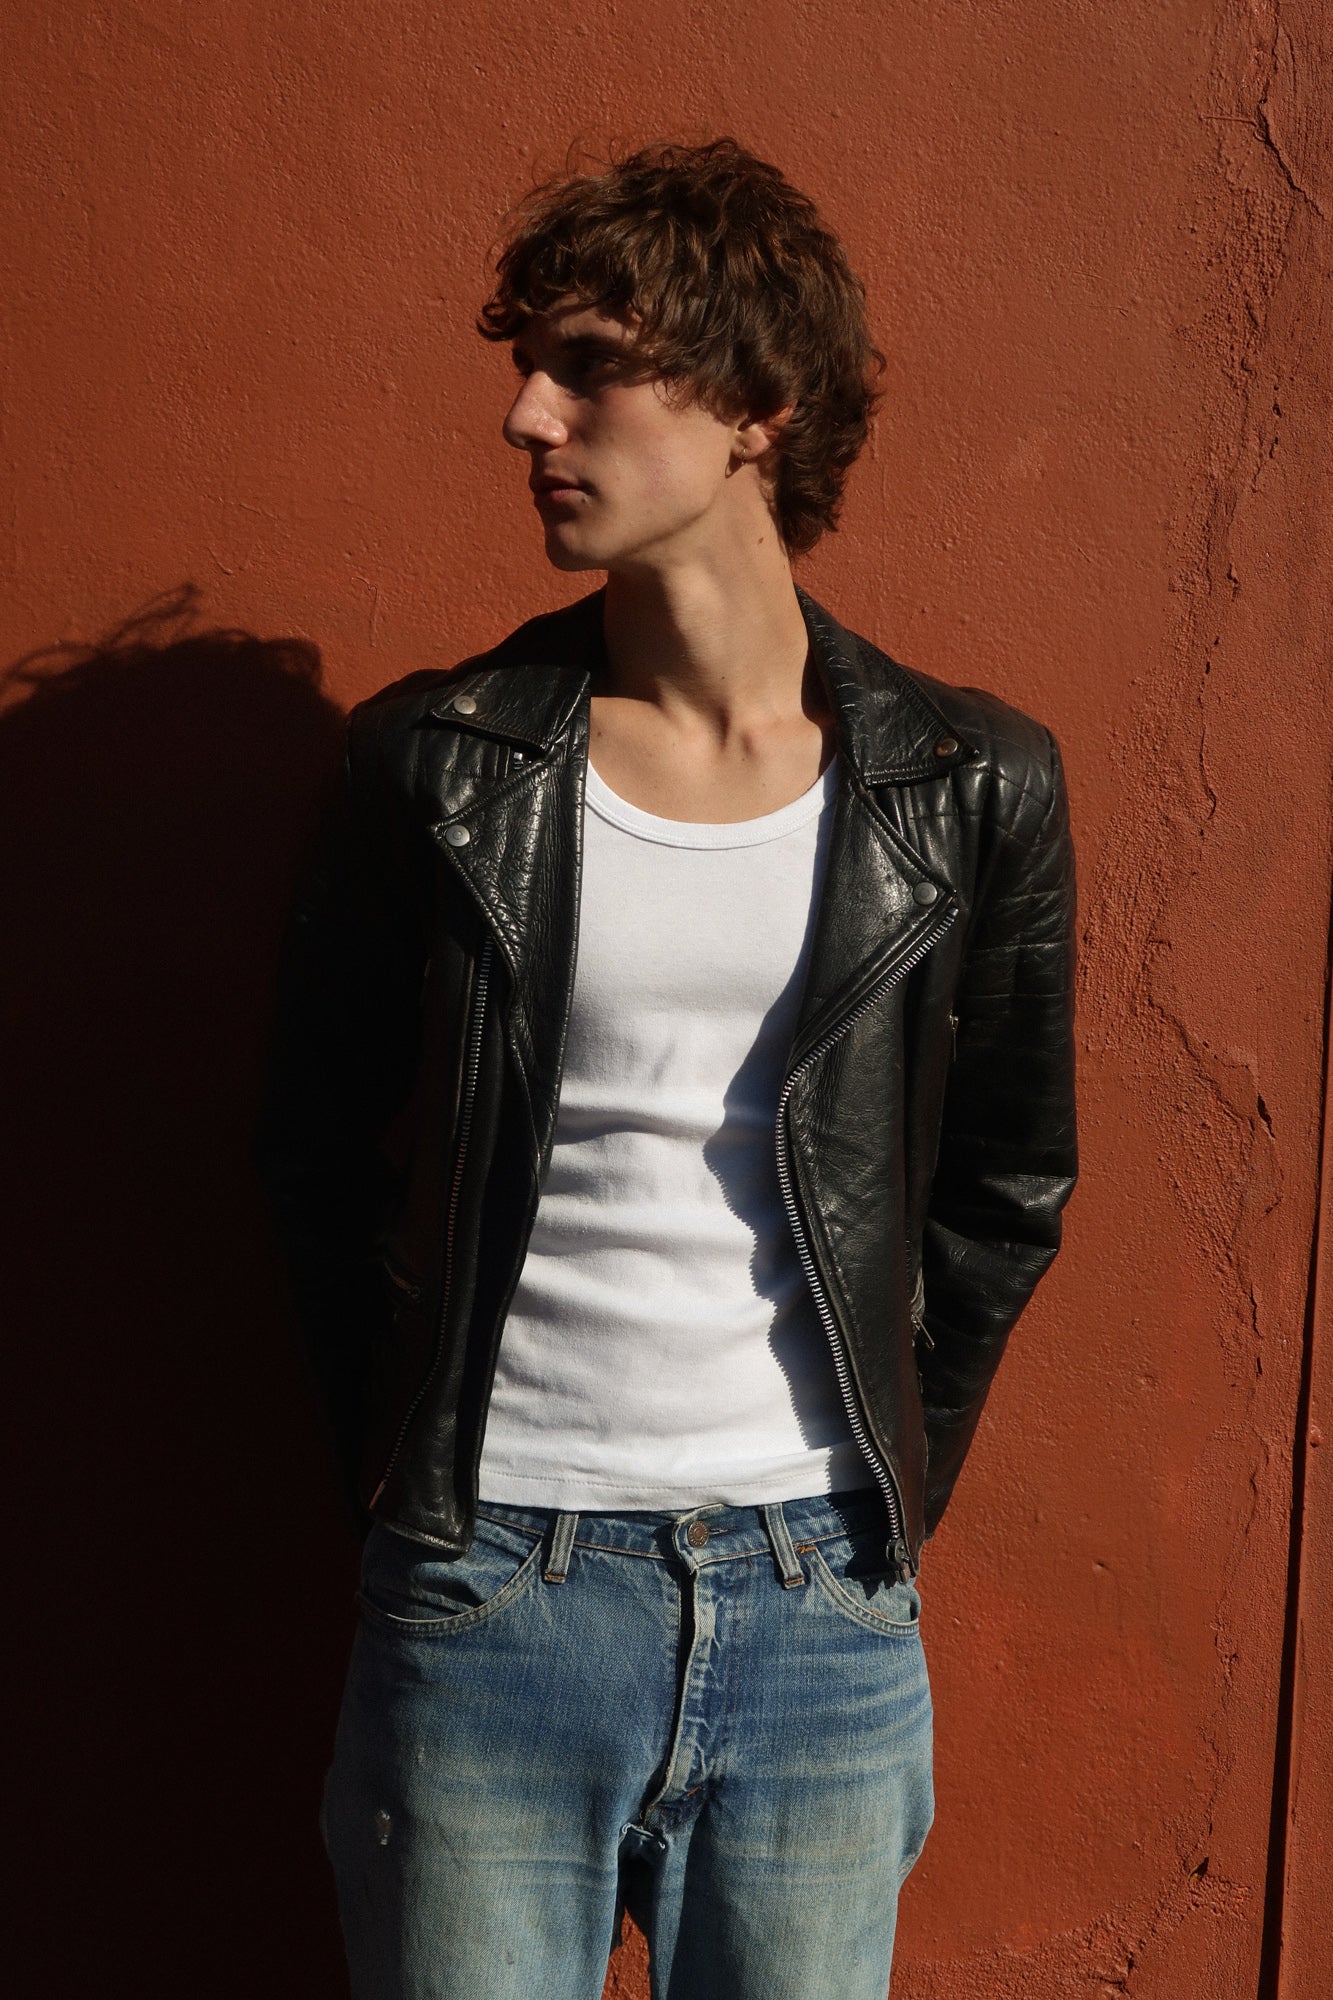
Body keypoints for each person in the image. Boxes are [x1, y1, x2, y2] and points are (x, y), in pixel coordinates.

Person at [256, 138, 1078, 2000]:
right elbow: (309, 1149)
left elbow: (1005, 1188)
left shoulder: (966, 786)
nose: (525, 416)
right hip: (491, 1584)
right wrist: (406, 1478)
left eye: (590, 368)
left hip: (817, 1608)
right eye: (526, 366)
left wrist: (882, 1499)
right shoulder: (439, 766)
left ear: (757, 406)